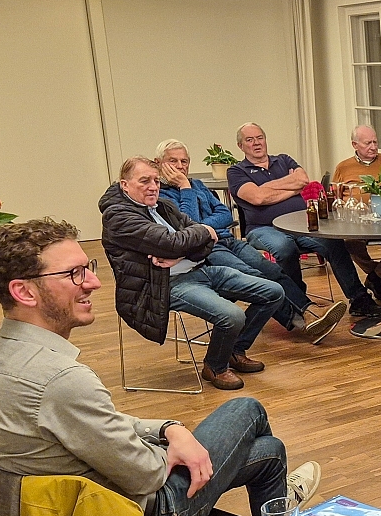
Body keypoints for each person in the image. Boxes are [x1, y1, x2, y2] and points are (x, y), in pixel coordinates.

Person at [0, 219, 320, 516]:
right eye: (74, 273)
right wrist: (170, 447)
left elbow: (90, 424)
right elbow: (146, 474)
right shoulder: (60, 381)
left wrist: (168, 429)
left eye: (88, 268)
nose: (94, 282)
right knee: (247, 409)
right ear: (24, 291)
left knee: (269, 452)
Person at [100, 158, 285, 391]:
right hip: (163, 285)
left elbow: (201, 242)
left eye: (156, 180)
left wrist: (180, 253)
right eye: (144, 181)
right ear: (125, 185)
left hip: (198, 269)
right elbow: (174, 241)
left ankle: (234, 350)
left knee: (273, 292)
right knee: (233, 316)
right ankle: (215, 366)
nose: (153, 187)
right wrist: (202, 233)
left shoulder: (163, 206)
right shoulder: (118, 216)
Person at [155, 139, 348, 343]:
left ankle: (308, 310)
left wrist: (204, 227)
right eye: (173, 161)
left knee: (272, 270)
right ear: (158, 163)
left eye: (184, 161)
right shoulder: (161, 195)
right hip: (206, 250)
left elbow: (225, 214)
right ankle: (302, 320)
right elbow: (188, 226)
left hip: (228, 240)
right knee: (255, 276)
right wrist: (185, 188)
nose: (180, 166)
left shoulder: (198, 185)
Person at [226, 121, 381, 323]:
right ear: (241, 146)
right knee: (284, 248)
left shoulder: (283, 160)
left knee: (334, 243)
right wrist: (291, 188)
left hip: (301, 225)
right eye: (249, 140)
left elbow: (303, 181)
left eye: (259, 138)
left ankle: (359, 299)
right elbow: (257, 198)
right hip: (264, 228)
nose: (256, 143)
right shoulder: (236, 171)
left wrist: (269, 188)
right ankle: (300, 304)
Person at [330, 124, 381, 303]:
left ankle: (376, 277)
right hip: (358, 222)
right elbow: (335, 199)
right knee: (349, 242)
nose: (373, 147)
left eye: (375, 142)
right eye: (368, 143)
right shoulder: (343, 167)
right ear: (354, 145)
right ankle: (380, 276)